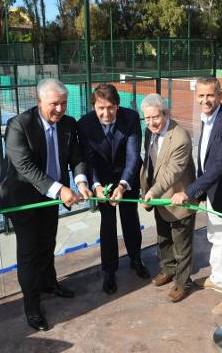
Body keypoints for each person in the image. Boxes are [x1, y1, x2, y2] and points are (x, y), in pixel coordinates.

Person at [0, 78, 92, 332]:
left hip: (52, 196)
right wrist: (61, 190)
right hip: (23, 198)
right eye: (54, 104)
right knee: (28, 252)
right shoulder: (19, 125)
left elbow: (76, 156)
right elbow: (24, 167)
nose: (60, 109)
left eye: (64, 103)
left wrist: (80, 182)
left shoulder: (68, 124)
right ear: (39, 102)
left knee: (48, 242)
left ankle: (49, 283)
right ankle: (32, 306)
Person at [171, 77, 222, 315]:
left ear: (220, 96)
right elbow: (205, 161)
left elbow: (219, 165)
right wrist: (202, 193)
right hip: (215, 196)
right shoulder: (206, 120)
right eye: (201, 96)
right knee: (216, 239)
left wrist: (189, 191)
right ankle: (219, 279)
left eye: (210, 95)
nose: (205, 100)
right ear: (196, 96)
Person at [77, 84, 150, 295]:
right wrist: (97, 185)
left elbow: (133, 156)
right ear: (94, 107)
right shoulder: (85, 124)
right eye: (101, 108)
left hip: (126, 179)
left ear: (117, 105)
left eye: (110, 107)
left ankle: (136, 259)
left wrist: (123, 185)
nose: (106, 113)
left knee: (130, 218)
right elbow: (89, 161)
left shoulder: (131, 118)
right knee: (107, 224)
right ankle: (109, 271)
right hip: (103, 183)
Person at [139, 94, 196, 303]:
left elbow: (171, 172)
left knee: (182, 245)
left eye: (156, 117)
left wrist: (152, 192)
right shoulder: (148, 132)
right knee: (163, 239)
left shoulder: (180, 137)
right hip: (158, 198)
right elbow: (150, 164)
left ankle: (183, 283)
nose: (152, 122)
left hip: (178, 198)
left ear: (166, 113)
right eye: (147, 118)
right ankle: (168, 269)